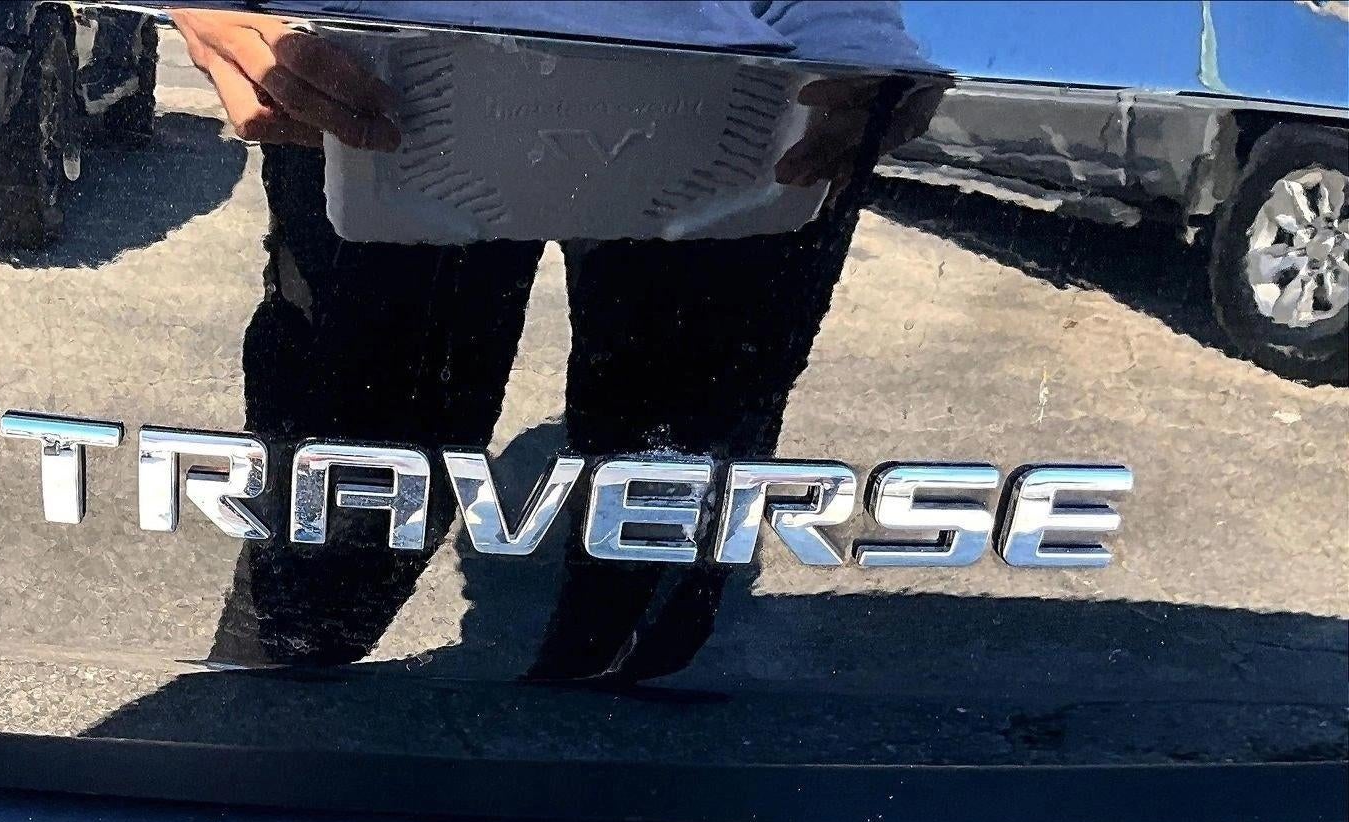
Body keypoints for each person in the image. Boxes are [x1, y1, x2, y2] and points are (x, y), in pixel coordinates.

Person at [172, 4, 939, 681]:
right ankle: (272, 716)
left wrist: (856, 27)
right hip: (371, 71)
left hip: (763, 86)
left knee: (667, 503)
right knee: (339, 502)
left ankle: (618, 714)